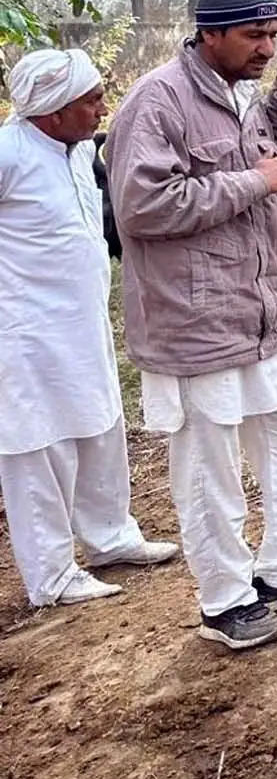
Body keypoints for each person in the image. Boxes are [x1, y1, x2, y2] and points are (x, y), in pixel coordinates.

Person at [106, 0, 277, 652]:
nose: (268, 47)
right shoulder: (154, 103)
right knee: (209, 470)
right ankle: (224, 602)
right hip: (191, 322)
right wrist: (259, 180)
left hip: (255, 311)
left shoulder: (238, 91)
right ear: (210, 34)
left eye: (274, 34)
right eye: (255, 35)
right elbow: (143, 207)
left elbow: (247, 153)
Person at [0, 50, 179, 608]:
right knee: (38, 444)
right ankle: (52, 575)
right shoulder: (8, 154)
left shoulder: (79, 152)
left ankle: (110, 536)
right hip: (23, 332)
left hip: (81, 319)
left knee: (100, 423)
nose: (104, 107)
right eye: (92, 100)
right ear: (53, 113)